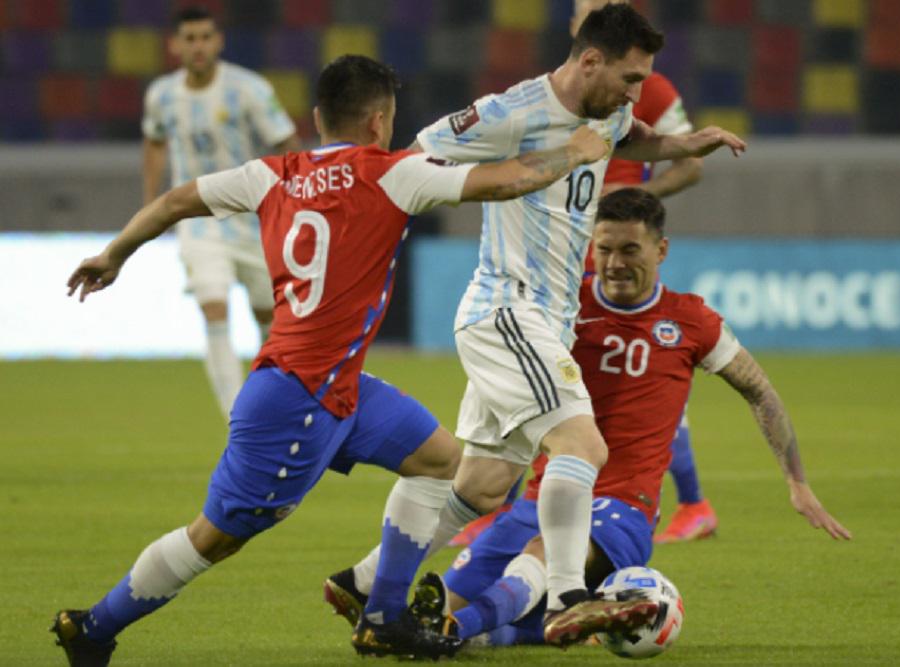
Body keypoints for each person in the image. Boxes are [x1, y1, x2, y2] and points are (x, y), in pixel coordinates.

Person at [53, 54, 611, 665]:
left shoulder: (270, 174)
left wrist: (114, 254)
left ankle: (383, 618)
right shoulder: (394, 173)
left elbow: (176, 199)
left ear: (318, 118)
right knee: (215, 538)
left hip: (335, 383)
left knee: (438, 460)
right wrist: (577, 152)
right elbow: (508, 179)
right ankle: (95, 625)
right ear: (380, 120)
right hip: (295, 399)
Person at [325, 3, 746, 647]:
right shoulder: (509, 112)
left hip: (543, 321)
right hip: (508, 310)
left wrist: (685, 143)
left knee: (486, 485)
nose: (637, 93)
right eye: (630, 79)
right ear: (589, 61)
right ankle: (568, 596)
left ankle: (363, 581)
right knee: (583, 446)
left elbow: (631, 137)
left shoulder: (608, 112)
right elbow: (411, 159)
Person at [409, 188, 854, 647]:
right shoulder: (562, 307)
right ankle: (469, 631)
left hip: (622, 507)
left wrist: (797, 482)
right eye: (604, 249)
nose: (615, 263)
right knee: (451, 607)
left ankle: (456, 631)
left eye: (629, 250)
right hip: (544, 496)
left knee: (540, 558)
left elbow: (760, 391)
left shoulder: (691, 321)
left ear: (661, 250)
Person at [448, 0, 711, 549]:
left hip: (615, 247)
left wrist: (635, 197)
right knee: (555, 384)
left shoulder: (647, 88)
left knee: (635, 372)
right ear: (579, 33)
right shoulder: (548, 98)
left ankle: (688, 501)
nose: (633, 89)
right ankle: (499, 507)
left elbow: (684, 162)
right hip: (560, 258)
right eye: (584, 8)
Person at [142, 6, 302, 419]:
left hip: (251, 219)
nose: (198, 46)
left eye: (205, 37)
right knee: (213, 305)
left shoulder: (248, 89)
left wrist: (297, 201)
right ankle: (236, 416)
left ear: (218, 41)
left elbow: (286, 140)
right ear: (175, 45)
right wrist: (151, 205)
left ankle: (272, 403)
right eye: (190, 38)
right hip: (196, 223)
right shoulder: (161, 95)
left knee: (268, 317)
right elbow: (155, 142)